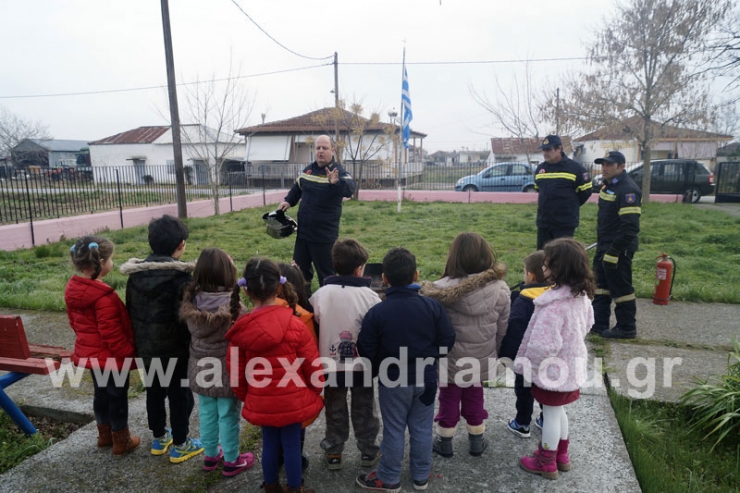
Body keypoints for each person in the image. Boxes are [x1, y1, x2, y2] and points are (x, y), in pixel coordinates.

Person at [356, 247, 456, 492]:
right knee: (422, 428)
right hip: (427, 378)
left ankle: (389, 478)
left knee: (394, 429)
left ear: (385, 279)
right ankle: (421, 475)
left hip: (393, 380)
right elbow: (447, 338)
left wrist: (380, 366)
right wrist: (433, 358)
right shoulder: (432, 307)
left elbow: (365, 346)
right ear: (416, 275)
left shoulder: (378, 312)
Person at [226, 258, 324, 493]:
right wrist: (313, 390)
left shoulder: (240, 331)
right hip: (292, 399)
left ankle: (270, 486)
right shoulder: (296, 324)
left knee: (269, 443)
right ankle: (295, 488)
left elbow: (236, 373)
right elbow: (312, 365)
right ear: (279, 287)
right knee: (292, 445)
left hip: (261, 398)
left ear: (247, 290)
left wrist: (248, 396)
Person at [120, 215, 204, 463]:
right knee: (180, 395)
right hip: (176, 351)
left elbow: (131, 309)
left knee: (154, 391)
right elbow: (185, 319)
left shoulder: (134, 276)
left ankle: (159, 438)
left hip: (147, 347)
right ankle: (181, 443)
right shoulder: (182, 279)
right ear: (181, 244)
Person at [419, 232, 510, 458]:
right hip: (481, 355)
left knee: (448, 396)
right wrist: (493, 352)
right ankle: (476, 440)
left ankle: (445, 440)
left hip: (449, 358)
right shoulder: (501, 289)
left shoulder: (438, 290)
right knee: (475, 394)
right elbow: (502, 329)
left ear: (454, 257)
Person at [515, 238, 595, 480]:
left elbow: (543, 346)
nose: (544, 269)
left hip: (551, 371)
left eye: (548, 265)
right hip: (571, 367)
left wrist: (532, 365)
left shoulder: (553, 307)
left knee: (550, 414)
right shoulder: (581, 298)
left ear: (558, 269)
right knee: (558, 411)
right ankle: (562, 456)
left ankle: (545, 461)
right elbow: (589, 324)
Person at [179, 248, 255, 476]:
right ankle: (232, 459)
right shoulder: (235, 306)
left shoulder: (191, 301)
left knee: (206, 413)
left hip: (201, 368)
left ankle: (211, 456)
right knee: (228, 415)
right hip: (227, 370)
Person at [308, 238, 382, 470]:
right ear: (360, 268)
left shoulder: (320, 294)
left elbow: (316, 322)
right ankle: (368, 451)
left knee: (335, 407)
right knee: (365, 408)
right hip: (362, 366)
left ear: (334, 264)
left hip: (330, 364)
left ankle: (334, 452)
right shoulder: (370, 297)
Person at [64, 235, 140, 456]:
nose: (112, 263)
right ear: (102, 261)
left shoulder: (73, 290)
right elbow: (112, 333)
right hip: (112, 357)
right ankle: (121, 440)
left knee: (100, 393)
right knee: (117, 395)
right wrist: (128, 353)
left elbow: (74, 322)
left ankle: (104, 435)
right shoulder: (103, 297)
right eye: (112, 259)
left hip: (92, 355)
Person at [279, 135, 356, 292]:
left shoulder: (337, 171)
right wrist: (288, 201)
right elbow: (298, 187)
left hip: (324, 237)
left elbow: (350, 189)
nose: (321, 151)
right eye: (318, 148)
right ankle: (303, 306)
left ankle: (328, 308)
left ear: (332, 150)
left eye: (325, 148)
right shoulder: (308, 170)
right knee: (299, 274)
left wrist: (336, 183)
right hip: (303, 235)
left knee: (326, 277)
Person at [498, 250, 550, 438]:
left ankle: (522, 422)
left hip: (527, 356)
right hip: (550, 356)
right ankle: (547, 419)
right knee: (546, 389)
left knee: (524, 389)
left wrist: (506, 354)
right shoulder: (558, 296)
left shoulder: (525, 299)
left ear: (531, 275)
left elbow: (515, 328)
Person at [591, 150, 642, 339]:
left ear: (621, 167)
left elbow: (630, 227)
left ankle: (627, 327)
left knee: (621, 289)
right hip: (604, 244)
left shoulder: (628, 190)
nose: (604, 168)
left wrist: (614, 252)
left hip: (618, 249)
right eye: (603, 164)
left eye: (609, 164)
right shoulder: (609, 186)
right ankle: (598, 324)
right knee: (600, 286)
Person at [534, 134, 593, 249]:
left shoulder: (575, 169)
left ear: (559, 148)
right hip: (544, 223)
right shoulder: (541, 169)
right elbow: (539, 189)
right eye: (544, 150)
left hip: (564, 223)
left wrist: (569, 206)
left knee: (561, 259)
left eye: (549, 149)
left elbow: (585, 191)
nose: (545, 153)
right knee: (542, 257)